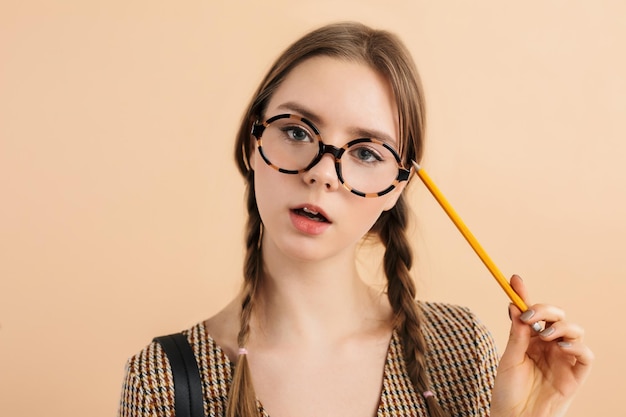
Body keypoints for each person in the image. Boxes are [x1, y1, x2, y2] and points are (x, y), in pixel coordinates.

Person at [118, 22, 593, 417]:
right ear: (251, 143)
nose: (322, 173)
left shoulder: (459, 351)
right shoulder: (162, 381)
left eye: (366, 152)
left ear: (399, 185)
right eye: (297, 131)